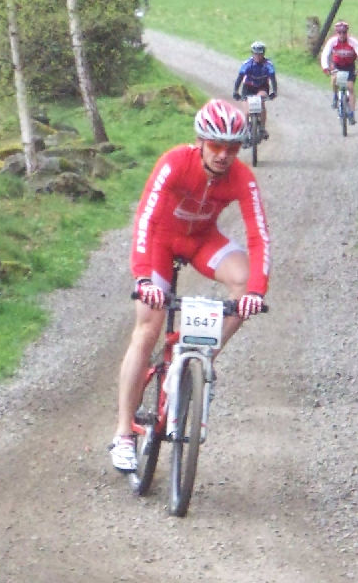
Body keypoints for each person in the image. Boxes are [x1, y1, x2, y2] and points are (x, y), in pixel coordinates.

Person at [109, 98, 271, 472]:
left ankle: (198, 357)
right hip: (160, 244)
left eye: (232, 148)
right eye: (215, 145)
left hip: (201, 240)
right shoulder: (173, 163)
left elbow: (259, 236)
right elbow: (145, 219)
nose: (224, 155)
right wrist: (144, 276)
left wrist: (257, 292)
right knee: (148, 326)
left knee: (245, 284)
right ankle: (123, 434)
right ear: (200, 141)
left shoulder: (242, 177)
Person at [320, 21, 358, 124]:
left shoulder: (353, 42)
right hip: (337, 65)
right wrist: (325, 67)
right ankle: (335, 96)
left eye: (344, 32)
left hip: (349, 66)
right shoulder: (332, 41)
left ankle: (352, 113)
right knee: (334, 79)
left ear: (347, 32)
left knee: (350, 87)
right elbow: (325, 54)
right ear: (336, 33)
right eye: (339, 32)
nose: (342, 35)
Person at [232, 41, 277, 140]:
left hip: (262, 86)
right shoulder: (247, 64)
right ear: (252, 54)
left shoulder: (268, 65)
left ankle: (262, 128)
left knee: (261, 101)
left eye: (260, 54)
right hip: (248, 87)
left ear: (263, 54)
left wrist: (274, 92)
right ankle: (246, 130)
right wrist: (235, 91)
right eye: (255, 54)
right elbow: (239, 78)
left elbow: (273, 79)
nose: (258, 56)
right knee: (247, 112)